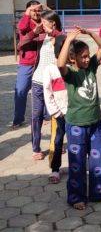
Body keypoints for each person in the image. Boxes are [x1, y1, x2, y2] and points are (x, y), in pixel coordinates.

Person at [57, 26, 101, 210]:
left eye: (87, 55)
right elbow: (60, 64)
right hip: (76, 125)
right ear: (72, 58)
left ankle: (100, 192)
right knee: (77, 164)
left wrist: (90, 34)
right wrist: (68, 40)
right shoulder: (70, 74)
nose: (86, 59)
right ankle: (77, 196)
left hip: (95, 123)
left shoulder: (91, 65)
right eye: (82, 56)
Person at [17, 10, 63, 160]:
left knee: (57, 115)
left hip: (55, 83)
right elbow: (21, 45)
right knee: (36, 116)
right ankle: (36, 148)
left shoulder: (61, 36)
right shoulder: (40, 37)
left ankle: (57, 143)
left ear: (53, 23)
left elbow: (67, 40)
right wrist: (33, 33)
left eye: (44, 21)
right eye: (40, 21)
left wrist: (53, 32)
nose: (41, 24)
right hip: (38, 82)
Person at [13, 0, 41, 129]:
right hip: (26, 63)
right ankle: (18, 119)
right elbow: (21, 28)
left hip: (42, 63)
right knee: (21, 90)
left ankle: (44, 116)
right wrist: (27, 14)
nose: (36, 12)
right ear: (28, 11)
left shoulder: (43, 22)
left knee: (43, 90)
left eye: (38, 10)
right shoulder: (25, 22)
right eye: (33, 10)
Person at [43, 35, 68, 184]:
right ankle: (55, 169)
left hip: (75, 113)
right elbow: (48, 92)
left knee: (76, 142)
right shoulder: (50, 69)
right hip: (60, 114)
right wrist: (57, 112)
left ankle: (78, 166)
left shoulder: (74, 67)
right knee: (58, 140)